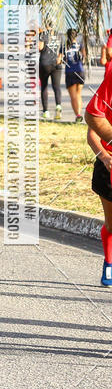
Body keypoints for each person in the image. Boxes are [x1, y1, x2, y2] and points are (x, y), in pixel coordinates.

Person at [84, 78, 112, 285]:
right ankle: (109, 264)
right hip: (108, 166)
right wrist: (104, 157)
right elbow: (92, 132)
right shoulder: (106, 94)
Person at [39, 20, 63, 119]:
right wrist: (59, 57)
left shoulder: (43, 34)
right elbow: (62, 49)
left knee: (44, 86)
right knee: (56, 87)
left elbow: (40, 47)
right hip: (56, 63)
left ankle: (46, 111)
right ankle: (58, 106)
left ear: (45, 25)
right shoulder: (59, 35)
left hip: (45, 63)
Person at [63, 28, 85, 122]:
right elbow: (84, 57)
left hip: (70, 71)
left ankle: (78, 115)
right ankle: (79, 112)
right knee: (78, 94)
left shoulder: (64, 46)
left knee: (73, 96)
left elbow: (59, 58)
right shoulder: (80, 45)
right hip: (79, 70)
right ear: (76, 35)